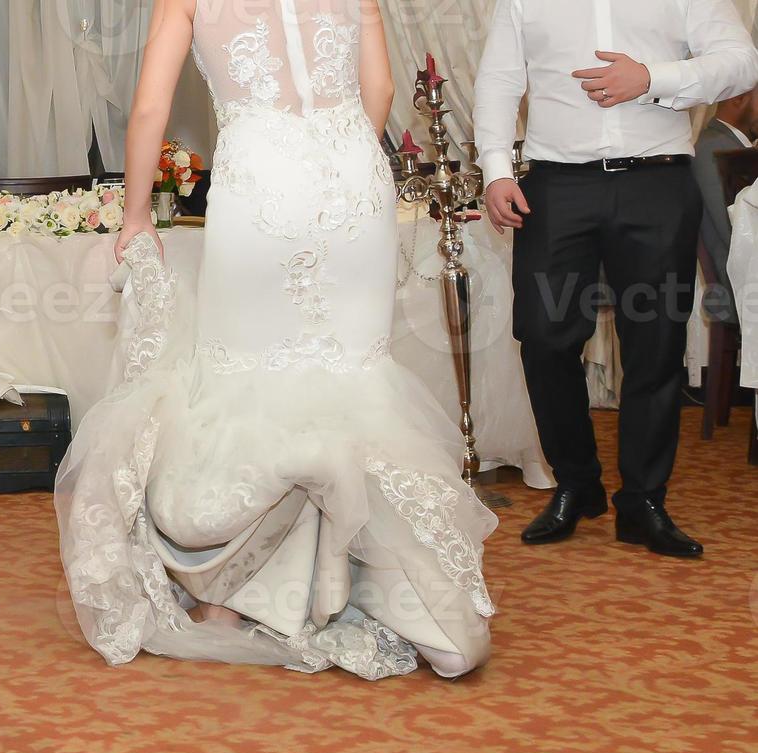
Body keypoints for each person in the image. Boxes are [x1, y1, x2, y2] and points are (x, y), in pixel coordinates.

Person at [57, 0, 496, 680]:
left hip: (260, 185)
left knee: (246, 382)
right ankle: (402, 599)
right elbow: (378, 90)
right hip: (353, 179)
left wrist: (137, 214)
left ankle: (235, 596)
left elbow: (149, 111)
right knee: (351, 377)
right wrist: (336, 161)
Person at [476, 0, 758, 559]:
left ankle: (643, 502)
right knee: (543, 335)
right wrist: (495, 171)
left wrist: (654, 78)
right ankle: (576, 483)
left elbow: (742, 61)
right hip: (557, 184)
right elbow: (500, 79)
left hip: (658, 180)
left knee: (655, 345)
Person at [692, 89, 758, 326]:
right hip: (738, 288)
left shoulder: (732, 148)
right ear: (737, 98)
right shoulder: (713, 150)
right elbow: (731, 232)